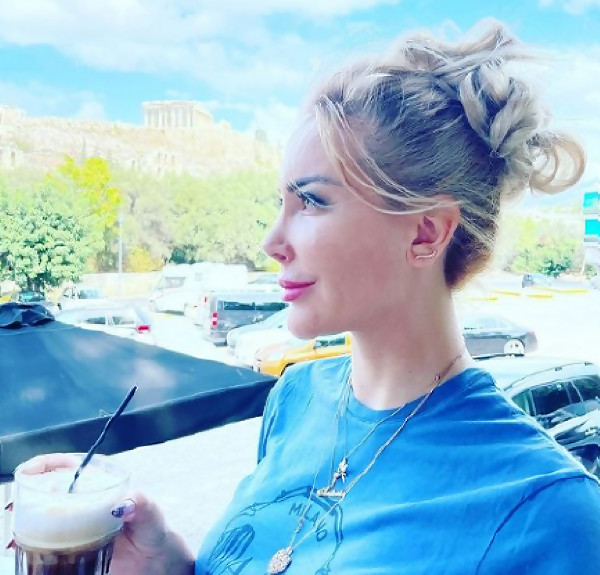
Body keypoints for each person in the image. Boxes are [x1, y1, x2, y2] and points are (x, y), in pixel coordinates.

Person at [19, 19, 600, 574]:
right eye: (282, 203)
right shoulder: (295, 398)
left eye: (313, 202)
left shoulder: (550, 513)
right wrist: (166, 565)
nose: (271, 242)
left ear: (426, 233)